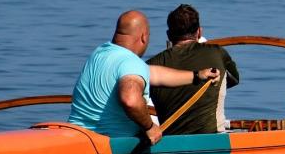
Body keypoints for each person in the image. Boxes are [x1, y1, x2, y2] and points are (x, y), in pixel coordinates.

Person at [68, 10, 220, 145]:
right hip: (110, 146)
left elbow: (154, 74)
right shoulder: (132, 63)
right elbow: (130, 100)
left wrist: (197, 75)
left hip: (79, 137)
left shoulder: (100, 54)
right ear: (144, 37)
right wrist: (150, 127)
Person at [147, 4, 240, 135]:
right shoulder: (218, 53)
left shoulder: (151, 65)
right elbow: (234, 79)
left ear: (169, 35)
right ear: (199, 32)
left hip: (169, 140)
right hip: (213, 138)